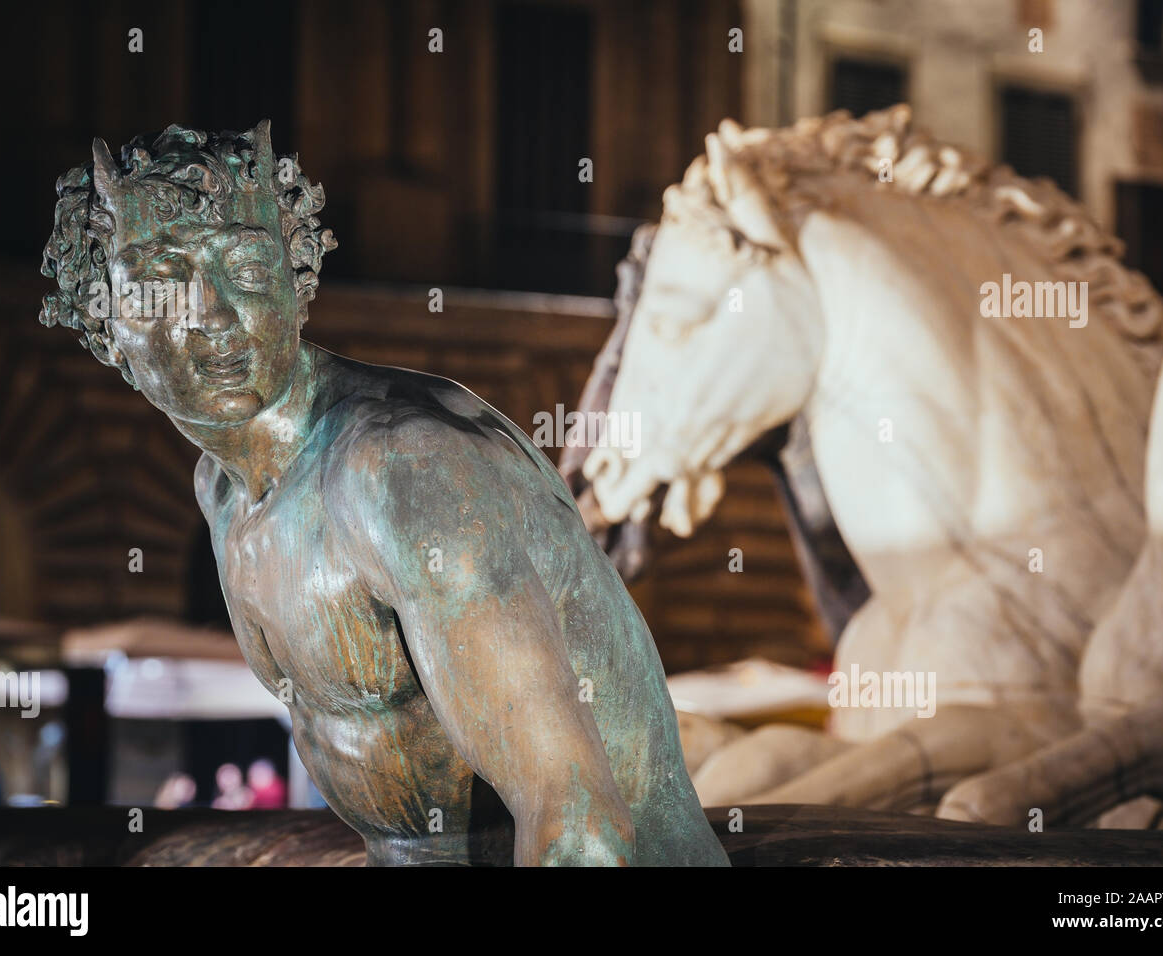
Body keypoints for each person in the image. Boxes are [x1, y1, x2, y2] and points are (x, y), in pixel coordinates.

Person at [39, 121, 727, 866]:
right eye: (165, 281)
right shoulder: (222, 489)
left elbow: (580, 827)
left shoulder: (398, 469)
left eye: (245, 265)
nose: (211, 313)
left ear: (295, 281)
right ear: (105, 326)